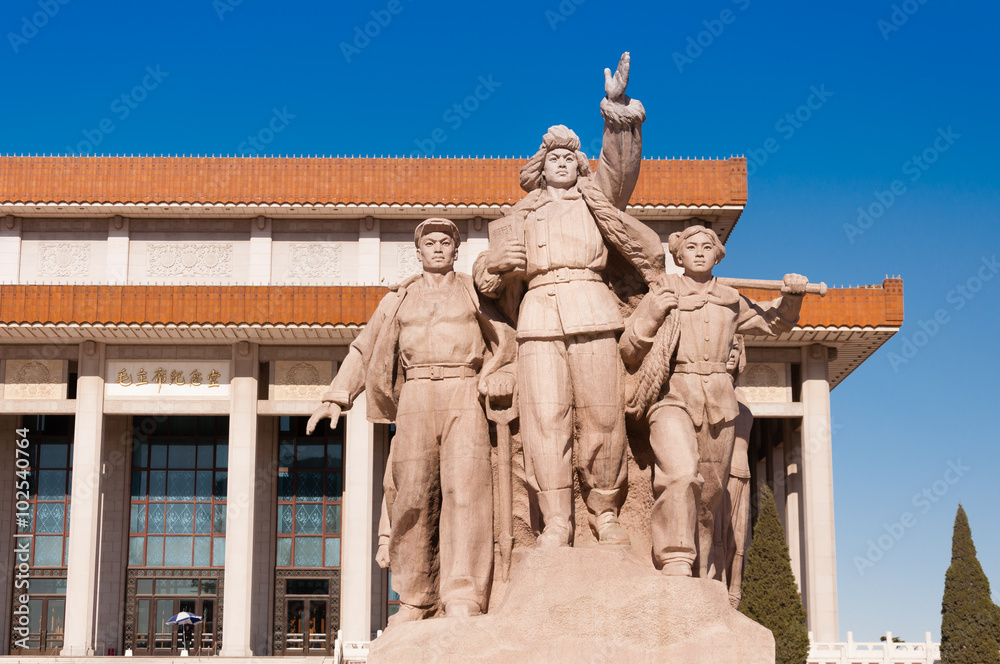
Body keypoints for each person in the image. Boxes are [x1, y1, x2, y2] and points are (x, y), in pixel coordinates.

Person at [473, 53, 662, 548]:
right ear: (539, 168)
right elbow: (485, 282)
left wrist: (615, 107)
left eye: (568, 159)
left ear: (579, 167)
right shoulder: (517, 217)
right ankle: (556, 517)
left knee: (602, 414)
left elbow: (621, 167)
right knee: (543, 420)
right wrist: (493, 266)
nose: (560, 163)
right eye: (552, 158)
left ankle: (605, 510)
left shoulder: (596, 199)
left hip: (592, 309)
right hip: (538, 318)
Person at [307, 218, 515, 623]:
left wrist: (502, 374)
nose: (437, 248)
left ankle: (463, 594)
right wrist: (337, 395)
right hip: (416, 394)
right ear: (418, 252)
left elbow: (507, 338)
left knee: (466, 492)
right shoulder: (397, 300)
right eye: (430, 243)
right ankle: (415, 598)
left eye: (445, 243)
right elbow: (364, 350)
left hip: (464, 388)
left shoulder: (474, 292)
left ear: (456, 251)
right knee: (412, 494)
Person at [619, 225, 806, 577]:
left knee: (709, 501)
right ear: (679, 256)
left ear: (718, 254)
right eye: (691, 246)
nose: (700, 252)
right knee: (680, 474)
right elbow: (629, 349)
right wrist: (653, 314)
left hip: (720, 402)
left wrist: (792, 297)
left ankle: (703, 577)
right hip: (673, 396)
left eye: (708, 246)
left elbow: (776, 322)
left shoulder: (731, 298)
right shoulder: (664, 292)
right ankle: (674, 557)